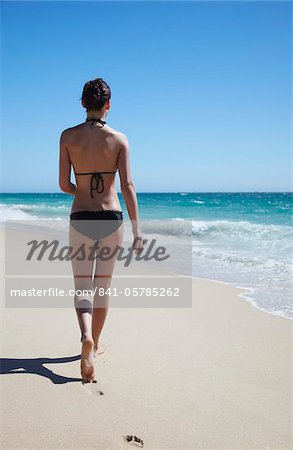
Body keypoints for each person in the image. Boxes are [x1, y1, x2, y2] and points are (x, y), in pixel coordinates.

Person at [59, 77, 144, 383]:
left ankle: (85, 337)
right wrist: (137, 231)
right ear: (108, 104)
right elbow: (128, 186)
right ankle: (93, 345)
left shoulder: (68, 137)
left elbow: (63, 184)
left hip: (81, 215)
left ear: (83, 103)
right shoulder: (120, 140)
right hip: (111, 217)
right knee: (102, 286)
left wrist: (81, 190)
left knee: (82, 285)